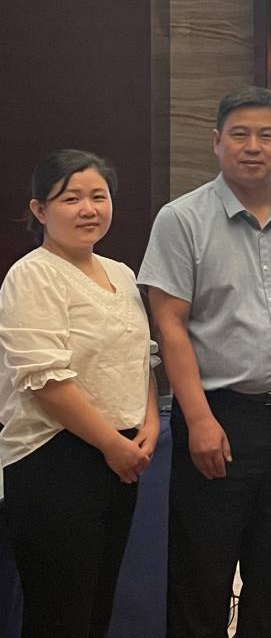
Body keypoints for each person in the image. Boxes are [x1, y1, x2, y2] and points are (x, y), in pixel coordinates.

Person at [139, 87, 271, 638]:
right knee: (202, 571)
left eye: (267, 135)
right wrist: (198, 419)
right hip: (218, 414)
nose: (253, 146)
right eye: (239, 135)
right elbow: (169, 324)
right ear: (217, 142)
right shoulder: (182, 218)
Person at [0, 150, 159, 638]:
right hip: (53, 457)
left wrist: (150, 424)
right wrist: (113, 445)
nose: (88, 209)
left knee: (96, 606)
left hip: (121, 455)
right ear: (39, 209)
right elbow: (45, 381)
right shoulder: (32, 274)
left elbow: (141, 358)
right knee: (58, 612)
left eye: (98, 196)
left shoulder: (122, 273)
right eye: (70, 199)